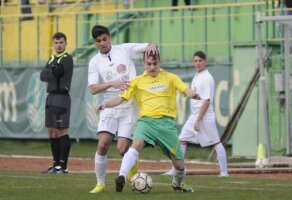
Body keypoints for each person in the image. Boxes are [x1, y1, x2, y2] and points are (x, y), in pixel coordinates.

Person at [97, 51, 200, 193]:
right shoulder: (137, 81)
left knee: (180, 166)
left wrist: (192, 94)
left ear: (160, 62)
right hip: (146, 122)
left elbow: (185, 89)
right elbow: (121, 98)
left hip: (166, 124)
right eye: (149, 64)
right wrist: (106, 104)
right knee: (136, 144)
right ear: (143, 64)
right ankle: (121, 176)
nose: (152, 67)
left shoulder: (171, 78)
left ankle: (177, 184)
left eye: (155, 64)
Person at [88, 25, 157, 193]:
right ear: (95, 42)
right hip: (110, 105)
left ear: (110, 37)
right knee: (103, 144)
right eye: (99, 41)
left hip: (129, 105)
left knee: (122, 148)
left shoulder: (124, 50)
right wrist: (112, 83)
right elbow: (93, 89)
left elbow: (149, 46)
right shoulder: (94, 62)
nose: (102, 43)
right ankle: (100, 184)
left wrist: (153, 45)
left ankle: (133, 174)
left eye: (105, 39)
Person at [164, 51, 228, 177]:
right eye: (196, 61)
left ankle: (224, 173)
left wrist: (198, 120)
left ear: (205, 62)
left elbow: (207, 101)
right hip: (195, 116)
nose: (198, 63)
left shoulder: (207, 78)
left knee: (216, 142)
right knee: (181, 140)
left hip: (204, 116)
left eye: (200, 61)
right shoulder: (197, 76)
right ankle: (177, 169)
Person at [40, 32, 74, 174]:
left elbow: (57, 73)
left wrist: (51, 70)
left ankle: (63, 166)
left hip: (61, 97)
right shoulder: (52, 58)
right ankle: (55, 164)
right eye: (56, 42)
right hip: (51, 96)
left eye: (61, 42)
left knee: (61, 130)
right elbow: (43, 76)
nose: (59, 45)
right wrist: (51, 71)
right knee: (52, 131)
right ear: (53, 44)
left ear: (66, 43)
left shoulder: (67, 58)